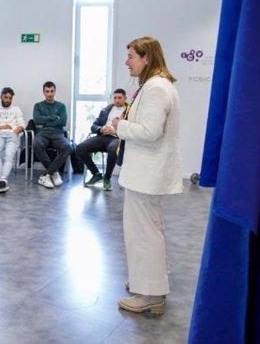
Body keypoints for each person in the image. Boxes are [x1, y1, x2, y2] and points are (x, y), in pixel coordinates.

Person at [109, 36, 182, 315]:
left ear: (146, 57)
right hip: (145, 173)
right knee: (148, 230)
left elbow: (151, 132)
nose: (127, 62)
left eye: (131, 56)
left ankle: (150, 294)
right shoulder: (155, 85)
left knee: (143, 233)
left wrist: (121, 126)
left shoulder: (156, 88)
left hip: (147, 173)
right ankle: (149, 283)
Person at [77, 88, 128, 191]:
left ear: (125, 98)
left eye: (119, 98)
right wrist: (101, 128)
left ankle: (107, 178)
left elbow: (130, 129)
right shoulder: (106, 110)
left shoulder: (129, 111)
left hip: (116, 138)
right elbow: (94, 126)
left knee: (114, 148)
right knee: (79, 148)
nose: (117, 100)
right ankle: (96, 174)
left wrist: (116, 132)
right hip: (102, 136)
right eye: (115, 98)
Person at [32, 81, 71, 189]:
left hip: (58, 133)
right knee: (36, 144)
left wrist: (45, 120)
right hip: (42, 133)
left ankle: (46, 175)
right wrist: (54, 117)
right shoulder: (38, 105)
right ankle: (54, 173)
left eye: (52, 91)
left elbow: (63, 122)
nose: (49, 94)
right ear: (43, 92)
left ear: (55, 91)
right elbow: (36, 120)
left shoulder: (61, 106)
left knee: (68, 147)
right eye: (47, 91)